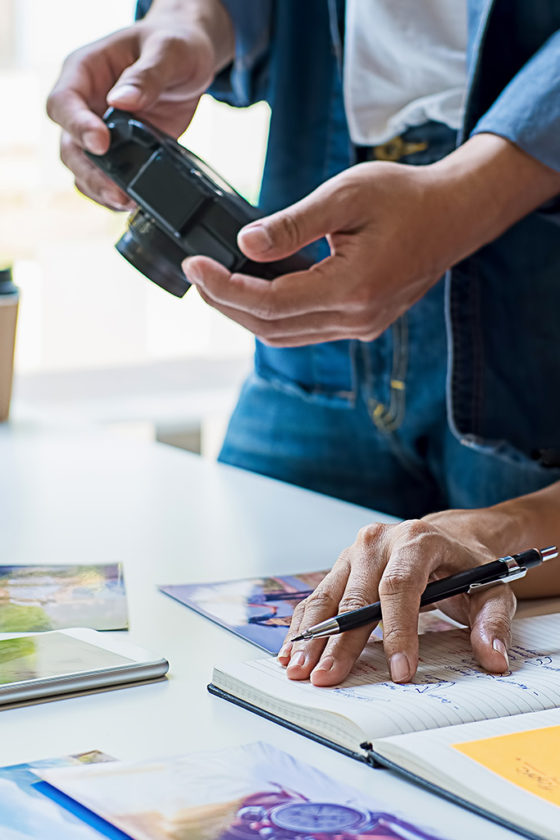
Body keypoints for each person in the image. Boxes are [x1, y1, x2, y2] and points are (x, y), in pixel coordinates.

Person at [46, 1, 560, 682]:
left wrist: (470, 192)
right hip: (321, 248)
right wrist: (197, 19)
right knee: (197, 659)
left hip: (530, 291)